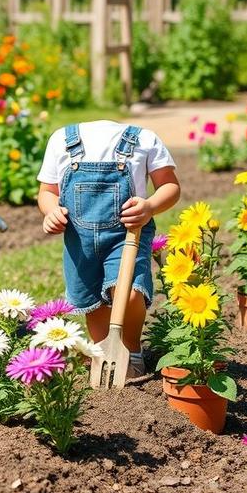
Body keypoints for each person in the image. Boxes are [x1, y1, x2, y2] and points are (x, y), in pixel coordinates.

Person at [37, 121, 180, 376]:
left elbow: (170, 186)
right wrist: (51, 211)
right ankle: (104, 352)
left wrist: (149, 207)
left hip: (127, 233)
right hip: (80, 240)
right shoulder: (61, 140)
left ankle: (131, 350)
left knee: (129, 291)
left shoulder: (145, 140)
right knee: (92, 300)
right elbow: (47, 191)